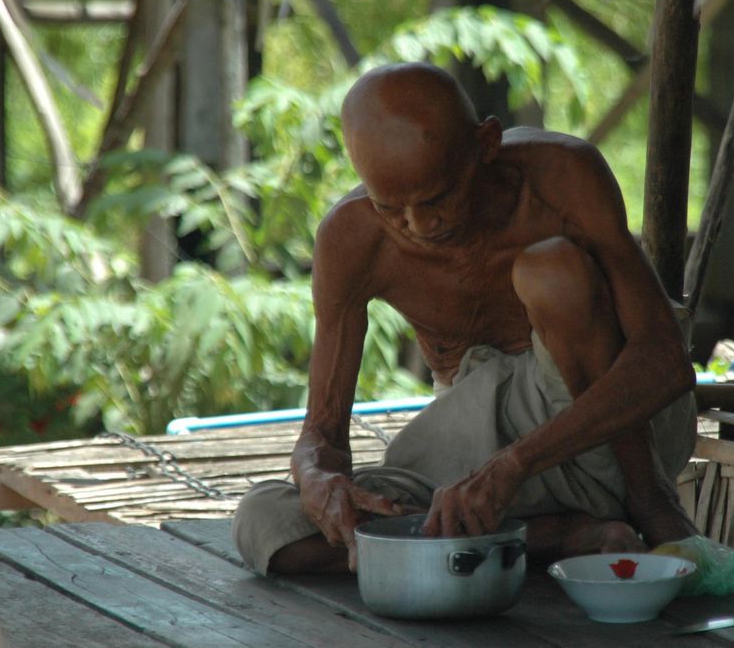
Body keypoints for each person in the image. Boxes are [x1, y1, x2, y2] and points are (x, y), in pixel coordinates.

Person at [232, 62, 699, 575]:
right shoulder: (352, 238)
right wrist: (316, 477)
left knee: (552, 273)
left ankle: (651, 502)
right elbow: (321, 432)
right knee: (265, 521)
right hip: (476, 450)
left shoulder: (561, 177)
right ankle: (557, 537)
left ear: (487, 145)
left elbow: (665, 363)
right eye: (392, 208)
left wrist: (515, 464)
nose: (418, 225)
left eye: (435, 199)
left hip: (616, 436)